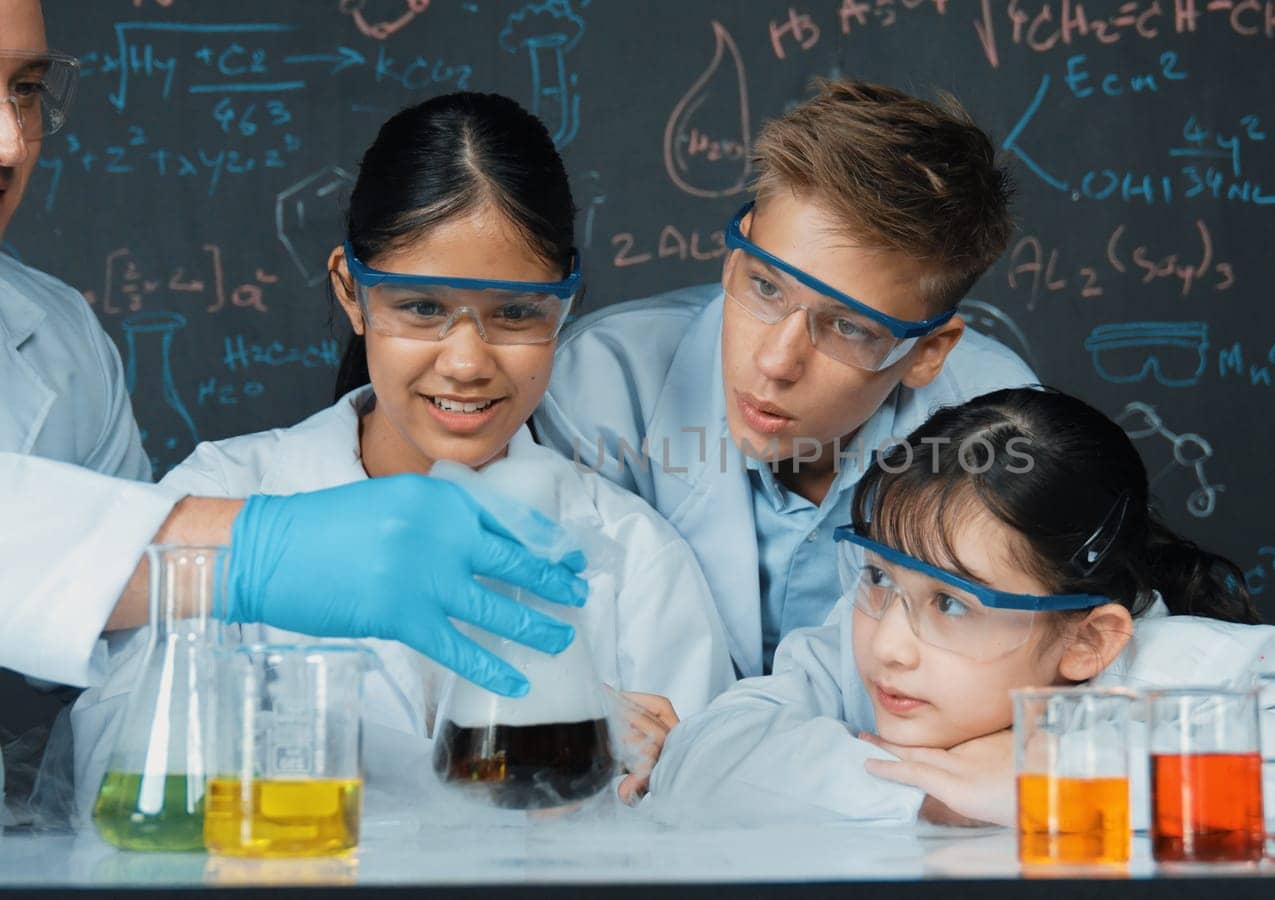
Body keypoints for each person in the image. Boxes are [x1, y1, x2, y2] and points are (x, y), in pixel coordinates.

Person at [68, 92, 733, 816]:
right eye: (420, 307)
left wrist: (667, 780)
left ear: (563, 305)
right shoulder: (221, 497)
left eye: (517, 311)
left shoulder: (634, 558)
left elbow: (713, 839)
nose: (467, 362)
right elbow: (120, 784)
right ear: (351, 292)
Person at [0, 0, 583, 702]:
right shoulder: (226, 483)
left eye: (25, 89)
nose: (10, 144)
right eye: (423, 307)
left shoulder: (60, 345)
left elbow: (63, 701)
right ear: (351, 290)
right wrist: (253, 551)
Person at [645, 387, 1275, 828]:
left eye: (955, 606)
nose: (891, 645)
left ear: (1087, 640)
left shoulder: (1186, 667)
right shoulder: (863, 636)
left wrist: (1055, 782)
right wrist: (943, 796)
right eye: (878, 579)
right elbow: (700, 763)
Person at [537, 80, 1037, 678]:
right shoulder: (598, 384)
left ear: (929, 351)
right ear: (734, 254)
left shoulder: (1000, 424)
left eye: (849, 327)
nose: (776, 362)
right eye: (765, 286)